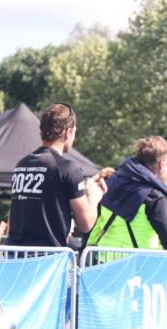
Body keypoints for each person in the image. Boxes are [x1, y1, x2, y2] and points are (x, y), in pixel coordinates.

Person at [8, 103, 106, 248]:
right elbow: (86, 224)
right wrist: (94, 195)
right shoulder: (67, 168)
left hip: (16, 257)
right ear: (67, 132)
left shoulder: (22, 164)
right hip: (46, 261)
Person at [86, 136, 167, 252]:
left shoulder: (108, 183)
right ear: (161, 164)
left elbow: (92, 223)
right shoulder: (154, 197)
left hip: (103, 260)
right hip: (138, 265)